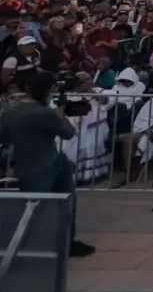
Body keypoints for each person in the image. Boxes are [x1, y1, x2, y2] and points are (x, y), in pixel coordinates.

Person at [0, 70, 95, 256]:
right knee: (54, 207)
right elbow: (68, 133)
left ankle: (36, 245)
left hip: (30, 165)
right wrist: (59, 114)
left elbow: (4, 138)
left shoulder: (10, 112)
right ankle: (49, 245)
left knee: (34, 209)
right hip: (44, 165)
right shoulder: (45, 114)